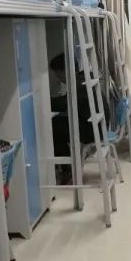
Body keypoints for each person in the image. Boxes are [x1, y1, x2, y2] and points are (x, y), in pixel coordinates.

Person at [49, 53, 109, 183]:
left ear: (63, 71)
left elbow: (65, 104)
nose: (58, 79)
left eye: (57, 74)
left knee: (53, 127)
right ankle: (66, 167)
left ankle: (67, 169)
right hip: (99, 125)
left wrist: (44, 101)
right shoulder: (85, 77)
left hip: (93, 130)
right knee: (58, 123)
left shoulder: (79, 84)